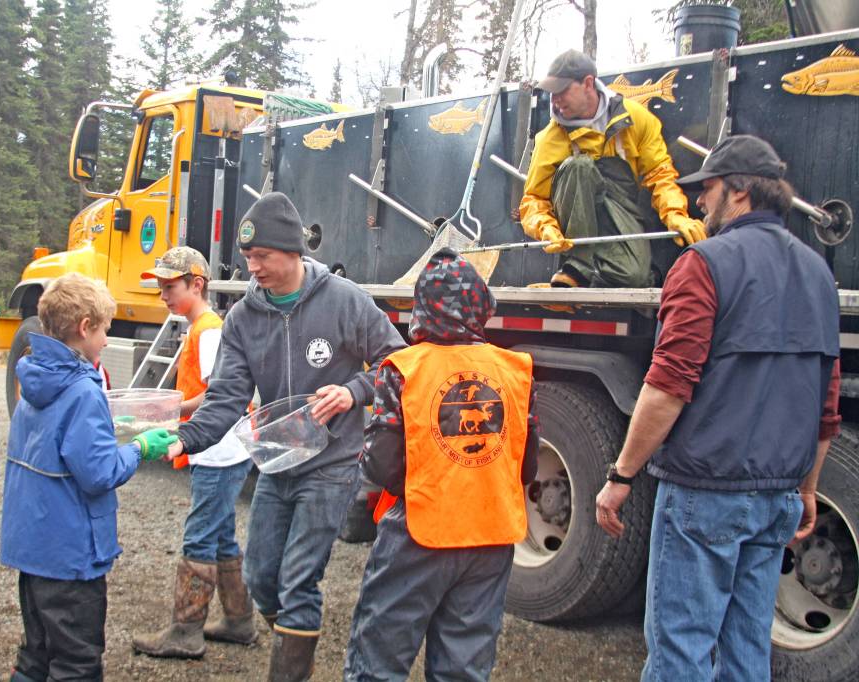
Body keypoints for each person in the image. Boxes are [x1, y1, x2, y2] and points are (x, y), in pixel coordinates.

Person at [593, 135, 841, 680]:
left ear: (740, 191)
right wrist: (805, 489)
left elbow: (667, 388)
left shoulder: (702, 264)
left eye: (706, 190)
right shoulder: (820, 275)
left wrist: (621, 475)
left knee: (680, 651)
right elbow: (826, 401)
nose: (700, 203)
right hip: (777, 497)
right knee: (748, 650)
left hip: (705, 495)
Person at [167, 191, 407, 680]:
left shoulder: (344, 300)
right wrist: (182, 440)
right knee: (260, 575)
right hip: (276, 463)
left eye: (263, 256)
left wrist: (354, 390)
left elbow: (399, 362)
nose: (253, 266)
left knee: (299, 581)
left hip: (332, 465)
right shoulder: (243, 318)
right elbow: (226, 399)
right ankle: (291, 639)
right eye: (248, 257)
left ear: (294, 253)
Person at [343, 248, 539, 681]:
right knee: (463, 670)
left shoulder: (404, 369)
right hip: (492, 538)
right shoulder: (515, 371)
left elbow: (381, 465)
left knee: (379, 660)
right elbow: (526, 468)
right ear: (481, 307)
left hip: (421, 532)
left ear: (422, 309)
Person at [0, 273, 177, 682]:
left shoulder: (35, 375)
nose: (106, 340)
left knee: (36, 655)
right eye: (104, 331)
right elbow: (98, 473)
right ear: (84, 327)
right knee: (77, 663)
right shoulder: (82, 390)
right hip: (71, 557)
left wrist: (111, 426)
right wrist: (139, 447)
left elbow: (60, 443)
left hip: (34, 551)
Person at [132, 247, 256, 658]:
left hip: (219, 451)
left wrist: (168, 409)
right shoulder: (203, 327)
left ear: (196, 284)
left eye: (170, 286)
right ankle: (239, 621)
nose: (163, 295)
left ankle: (186, 632)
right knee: (220, 535)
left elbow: (215, 396)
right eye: (161, 287)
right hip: (220, 450)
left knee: (200, 535)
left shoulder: (209, 330)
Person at [519, 49, 706, 289]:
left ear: (588, 83)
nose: (554, 100)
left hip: (620, 208)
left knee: (635, 278)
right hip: (575, 220)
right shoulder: (549, 138)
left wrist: (676, 215)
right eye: (552, 93)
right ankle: (576, 268)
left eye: (562, 91)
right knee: (579, 167)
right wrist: (545, 228)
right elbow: (533, 199)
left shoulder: (637, 118)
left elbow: (660, 174)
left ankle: (585, 281)